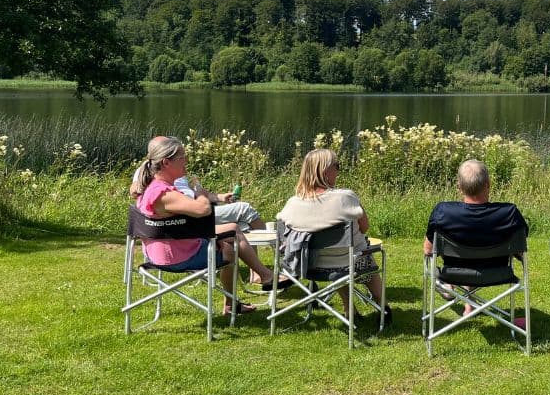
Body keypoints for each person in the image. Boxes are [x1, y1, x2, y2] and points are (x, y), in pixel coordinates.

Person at [131, 136, 281, 288]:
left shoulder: (151, 187)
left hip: (162, 250)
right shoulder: (163, 194)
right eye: (182, 157)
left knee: (230, 235)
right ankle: (264, 277)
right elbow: (203, 209)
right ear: (166, 162)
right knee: (231, 245)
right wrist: (200, 193)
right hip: (176, 256)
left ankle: (243, 294)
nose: (186, 161)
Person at [276, 148, 391, 325]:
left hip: (308, 265)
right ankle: (383, 305)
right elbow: (365, 227)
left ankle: (348, 309)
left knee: (341, 255)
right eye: (336, 166)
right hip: (346, 263)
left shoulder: (292, 203)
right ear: (325, 170)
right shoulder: (345, 197)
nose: (338, 170)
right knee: (359, 255)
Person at [424, 159, 528, 316]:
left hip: (453, 272)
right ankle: (469, 305)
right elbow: (520, 249)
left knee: (467, 256)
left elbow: (428, 250)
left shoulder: (443, 212)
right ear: (488, 183)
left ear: (459, 186)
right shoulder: (509, 214)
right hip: (498, 272)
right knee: (475, 253)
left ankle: (449, 288)